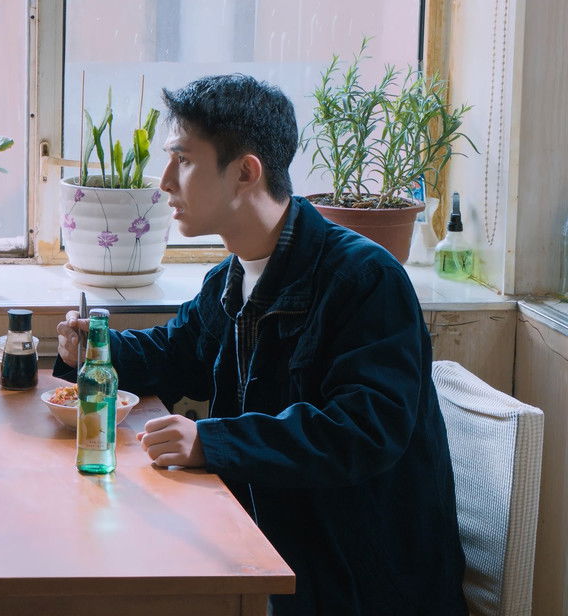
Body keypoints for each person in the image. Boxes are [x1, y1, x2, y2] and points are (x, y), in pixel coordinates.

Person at [54, 74, 466, 615]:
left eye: (184, 160)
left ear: (246, 172)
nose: (165, 182)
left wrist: (213, 443)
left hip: (351, 581)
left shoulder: (365, 279)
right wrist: (93, 350)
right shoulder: (233, 275)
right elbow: (178, 355)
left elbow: (363, 431)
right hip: (262, 546)